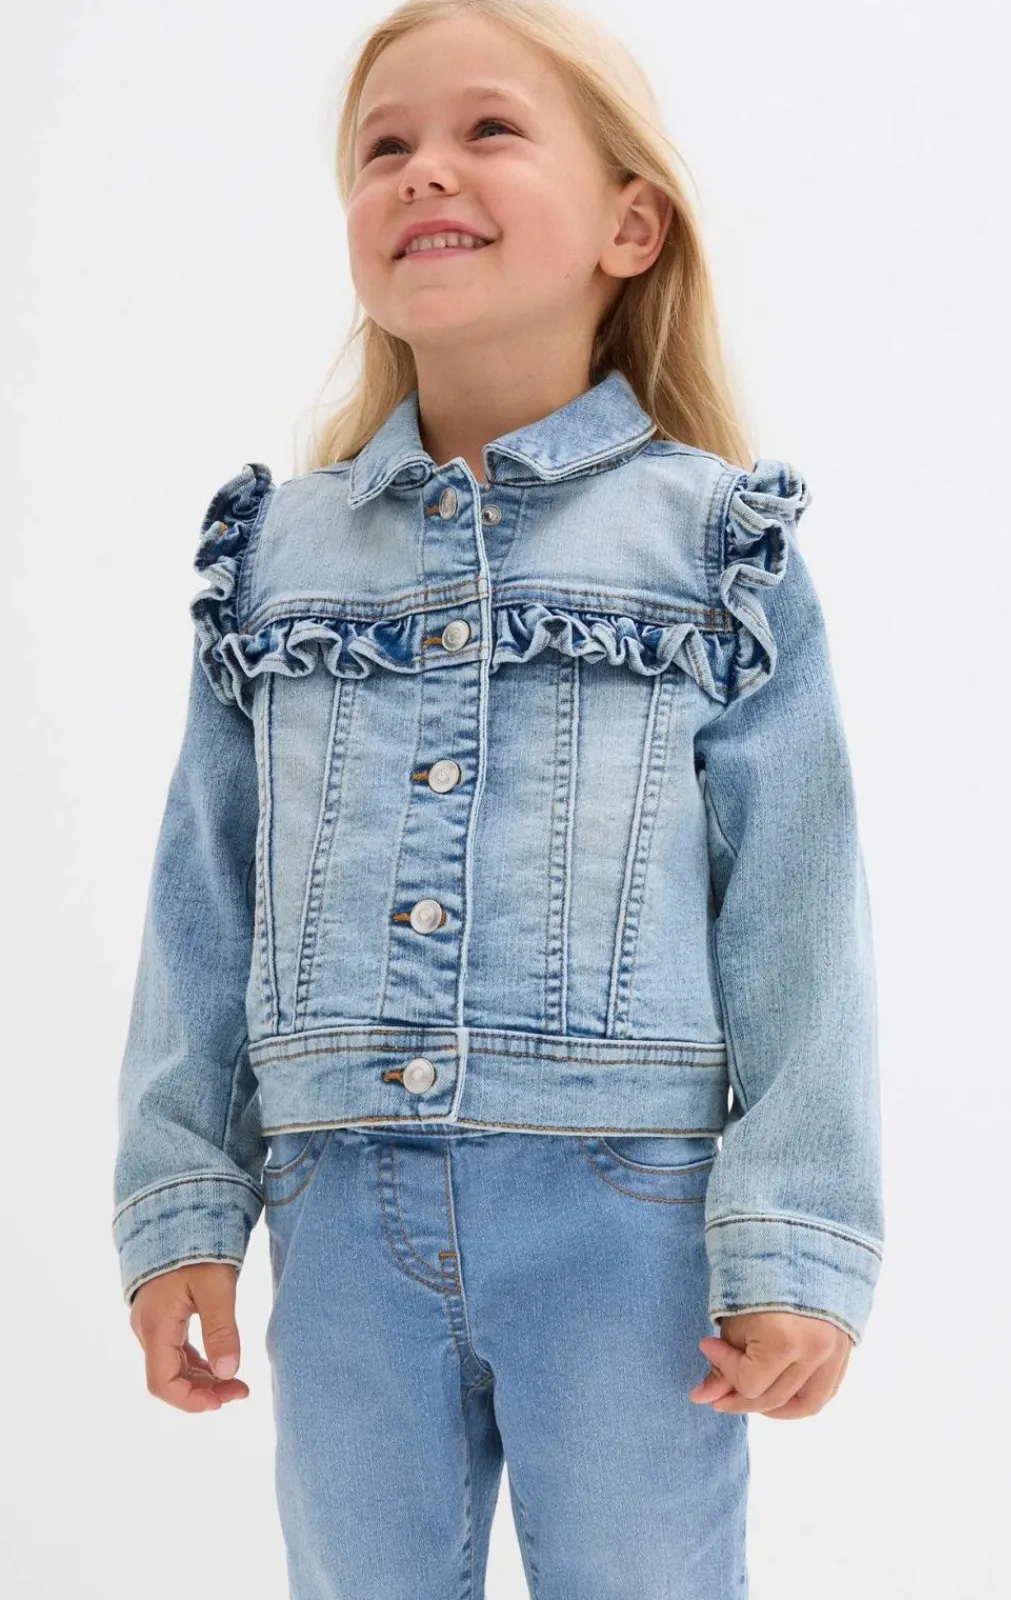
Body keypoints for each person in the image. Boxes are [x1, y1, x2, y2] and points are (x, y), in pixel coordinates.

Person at [110, 1, 884, 1594]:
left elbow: (797, 907)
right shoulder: (276, 560)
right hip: (338, 1216)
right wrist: (181, 1205)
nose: (421, 171)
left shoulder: (712, 547)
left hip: (627, 1224)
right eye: (381, 147)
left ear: (628, 226)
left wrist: (794, 1239)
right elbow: (204, 896)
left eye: (487, 130)